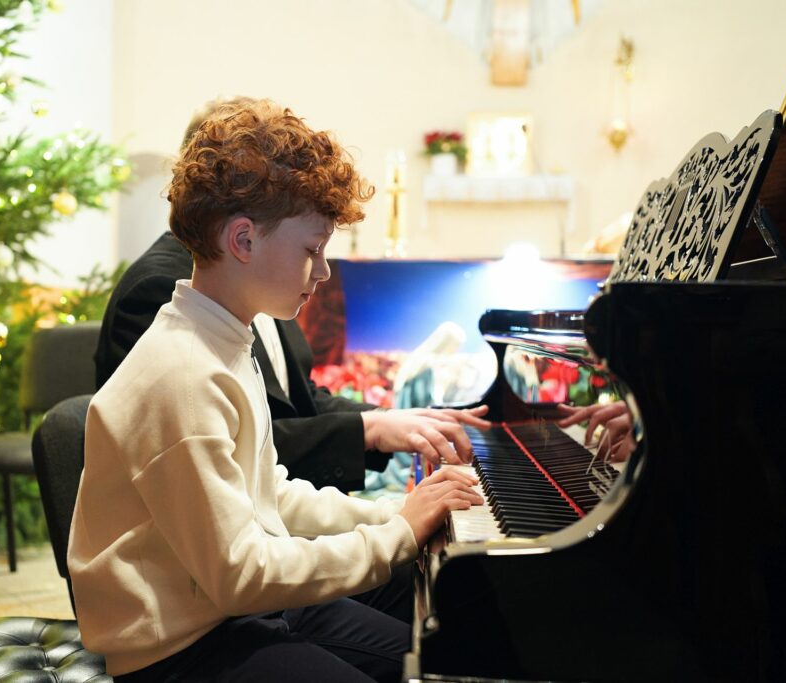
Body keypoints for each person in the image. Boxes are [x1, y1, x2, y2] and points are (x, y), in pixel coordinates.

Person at [69, 99, 485, 682]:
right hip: (181, 648)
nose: (323, 271)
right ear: (243, 240)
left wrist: (395, 512)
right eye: (312, 250)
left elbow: (271, 495)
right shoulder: (184, 374)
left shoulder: (221, 339)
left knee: (443, 656)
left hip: (233, 611)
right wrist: (397, 534)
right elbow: (240, 574)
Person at [95, 96, 491, 492]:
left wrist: (388, 421)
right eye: (311, 249)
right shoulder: (163, 294)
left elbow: (294, 407)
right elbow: (240, 459)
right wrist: (390, 501)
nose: (323, 271)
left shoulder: (249, 287)